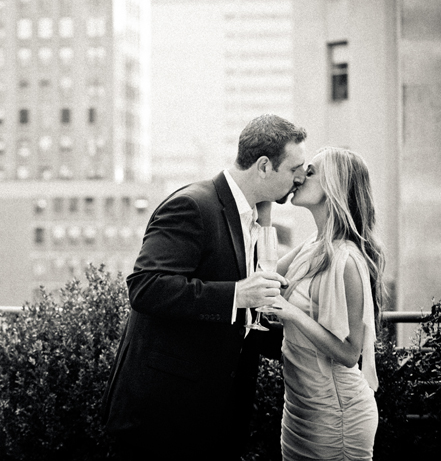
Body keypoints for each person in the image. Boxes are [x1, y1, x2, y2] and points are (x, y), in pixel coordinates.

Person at [101, 114, 307, 460]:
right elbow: (146, 286)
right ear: (263, 166)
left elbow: (240, 325)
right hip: (162, 419)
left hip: (216, 420)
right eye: (293, 169)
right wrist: (237, 294)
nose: (299, 177)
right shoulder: (193, 206)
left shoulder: (253, 217)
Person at [265, 147, 385, 460]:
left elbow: (350, 353)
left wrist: (292, 313)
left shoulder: (348, 260)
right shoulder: (313, 245)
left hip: (336, 414)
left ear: (334, 186)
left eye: (311, 172)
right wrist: (266, 197)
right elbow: (264, 274)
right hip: (298, 410)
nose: (300, 177)